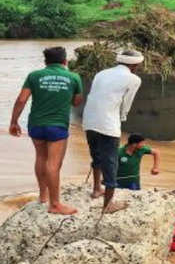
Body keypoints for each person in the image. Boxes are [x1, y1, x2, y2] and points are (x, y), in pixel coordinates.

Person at [9, 46, 83, 215]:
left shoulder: (34, 76)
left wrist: (14, 122)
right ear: (65, 61)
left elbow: (21, 100)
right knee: (54, 163)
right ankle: (55, 204)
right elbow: (77, 102)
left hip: (36, 124)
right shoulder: (73, 77)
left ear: (45, 62)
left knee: (41, 157)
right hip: (57, 125)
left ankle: (43, 196)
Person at [82, 50, 143, 213]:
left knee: (96, 156)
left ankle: (96, 189)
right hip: (108, 123)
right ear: (135, 65)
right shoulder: (134, 79)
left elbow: (96, 95)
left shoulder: (101, 74)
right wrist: (122, 117)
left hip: (88, 120)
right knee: (111, 162)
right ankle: (107, 205)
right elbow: (126, 103)